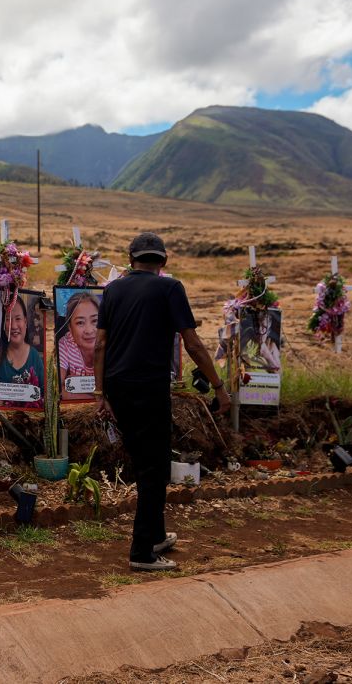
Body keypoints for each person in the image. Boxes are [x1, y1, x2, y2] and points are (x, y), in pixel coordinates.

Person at [94, 232, 229, 572]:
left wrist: (100, 393)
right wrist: (219, 386)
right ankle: (142, 553)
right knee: (153, 468)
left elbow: (99, 345)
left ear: (131, 258)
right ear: (163, 261)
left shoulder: (112, 291)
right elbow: (193, 344)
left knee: (147, 461)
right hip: (149, 388)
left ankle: (154, 534)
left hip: (118, 387)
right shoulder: (170, 289)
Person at [0, 294, 45, 408]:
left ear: (25, 322)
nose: (14, 326)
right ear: (3, 324)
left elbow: (45, 395)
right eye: (8, 319)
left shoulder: (35, 356)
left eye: (18, 319)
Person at [57, 291, 99, 401]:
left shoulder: (112, 344)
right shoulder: (65, 344)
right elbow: (59, 390)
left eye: (95, 321)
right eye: (80, 322)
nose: (89, 330)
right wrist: (98, 397)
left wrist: (76, 386)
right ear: (70, 328)